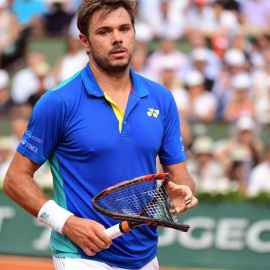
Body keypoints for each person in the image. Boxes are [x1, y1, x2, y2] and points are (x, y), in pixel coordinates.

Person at [3, 1, 198, 270]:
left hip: (145, 257)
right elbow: (14, 179)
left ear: (134, 33)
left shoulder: (161, 99)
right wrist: (67, 223)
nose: (117, 38)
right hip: (81, 257)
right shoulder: (58, 102)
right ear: (85, 41)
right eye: (104, 31)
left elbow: (181, 176)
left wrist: (184, 192)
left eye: (124, 29)